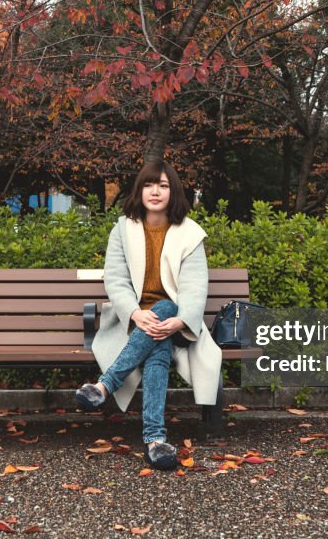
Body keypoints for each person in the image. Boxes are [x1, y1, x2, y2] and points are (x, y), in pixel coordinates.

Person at [75, 161, 222, 470]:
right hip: (130, 321)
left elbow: (196, 284)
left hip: (176, 322)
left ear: (174, 191)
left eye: (164, 185)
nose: (155, 191)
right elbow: (115, 279)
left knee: (167, 308)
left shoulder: (190, 233)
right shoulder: (123, 229)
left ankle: (104, 386)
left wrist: (181, 320)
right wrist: (134, 313)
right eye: (149, 185)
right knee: (158, 346)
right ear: (139, 190)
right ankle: (155, 440)